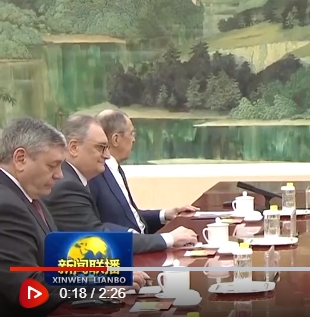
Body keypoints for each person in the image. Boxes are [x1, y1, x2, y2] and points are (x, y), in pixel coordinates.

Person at [0, 117, 147, 314]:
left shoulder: (30, 196)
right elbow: (28, 285)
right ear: (20, 159)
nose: (59, 175)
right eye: (52, 165)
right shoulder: (6, 205)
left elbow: (55, 260)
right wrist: (101, 287)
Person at [42, 114, 198, 254]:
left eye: (106, 148)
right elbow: (98, 239)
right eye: (101, 148)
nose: (107, 155)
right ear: (74, 147)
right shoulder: (67, 186)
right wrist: (169, 239)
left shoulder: (76, 178)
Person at [89, 109, 197, 233]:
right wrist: (166, 239)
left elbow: (131, 216)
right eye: (132, 134)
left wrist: (165, 214)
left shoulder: (116, 169)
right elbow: (100, 227)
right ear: (116, 139)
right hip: (130, 243)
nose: (134, 140)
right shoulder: (95, 174)